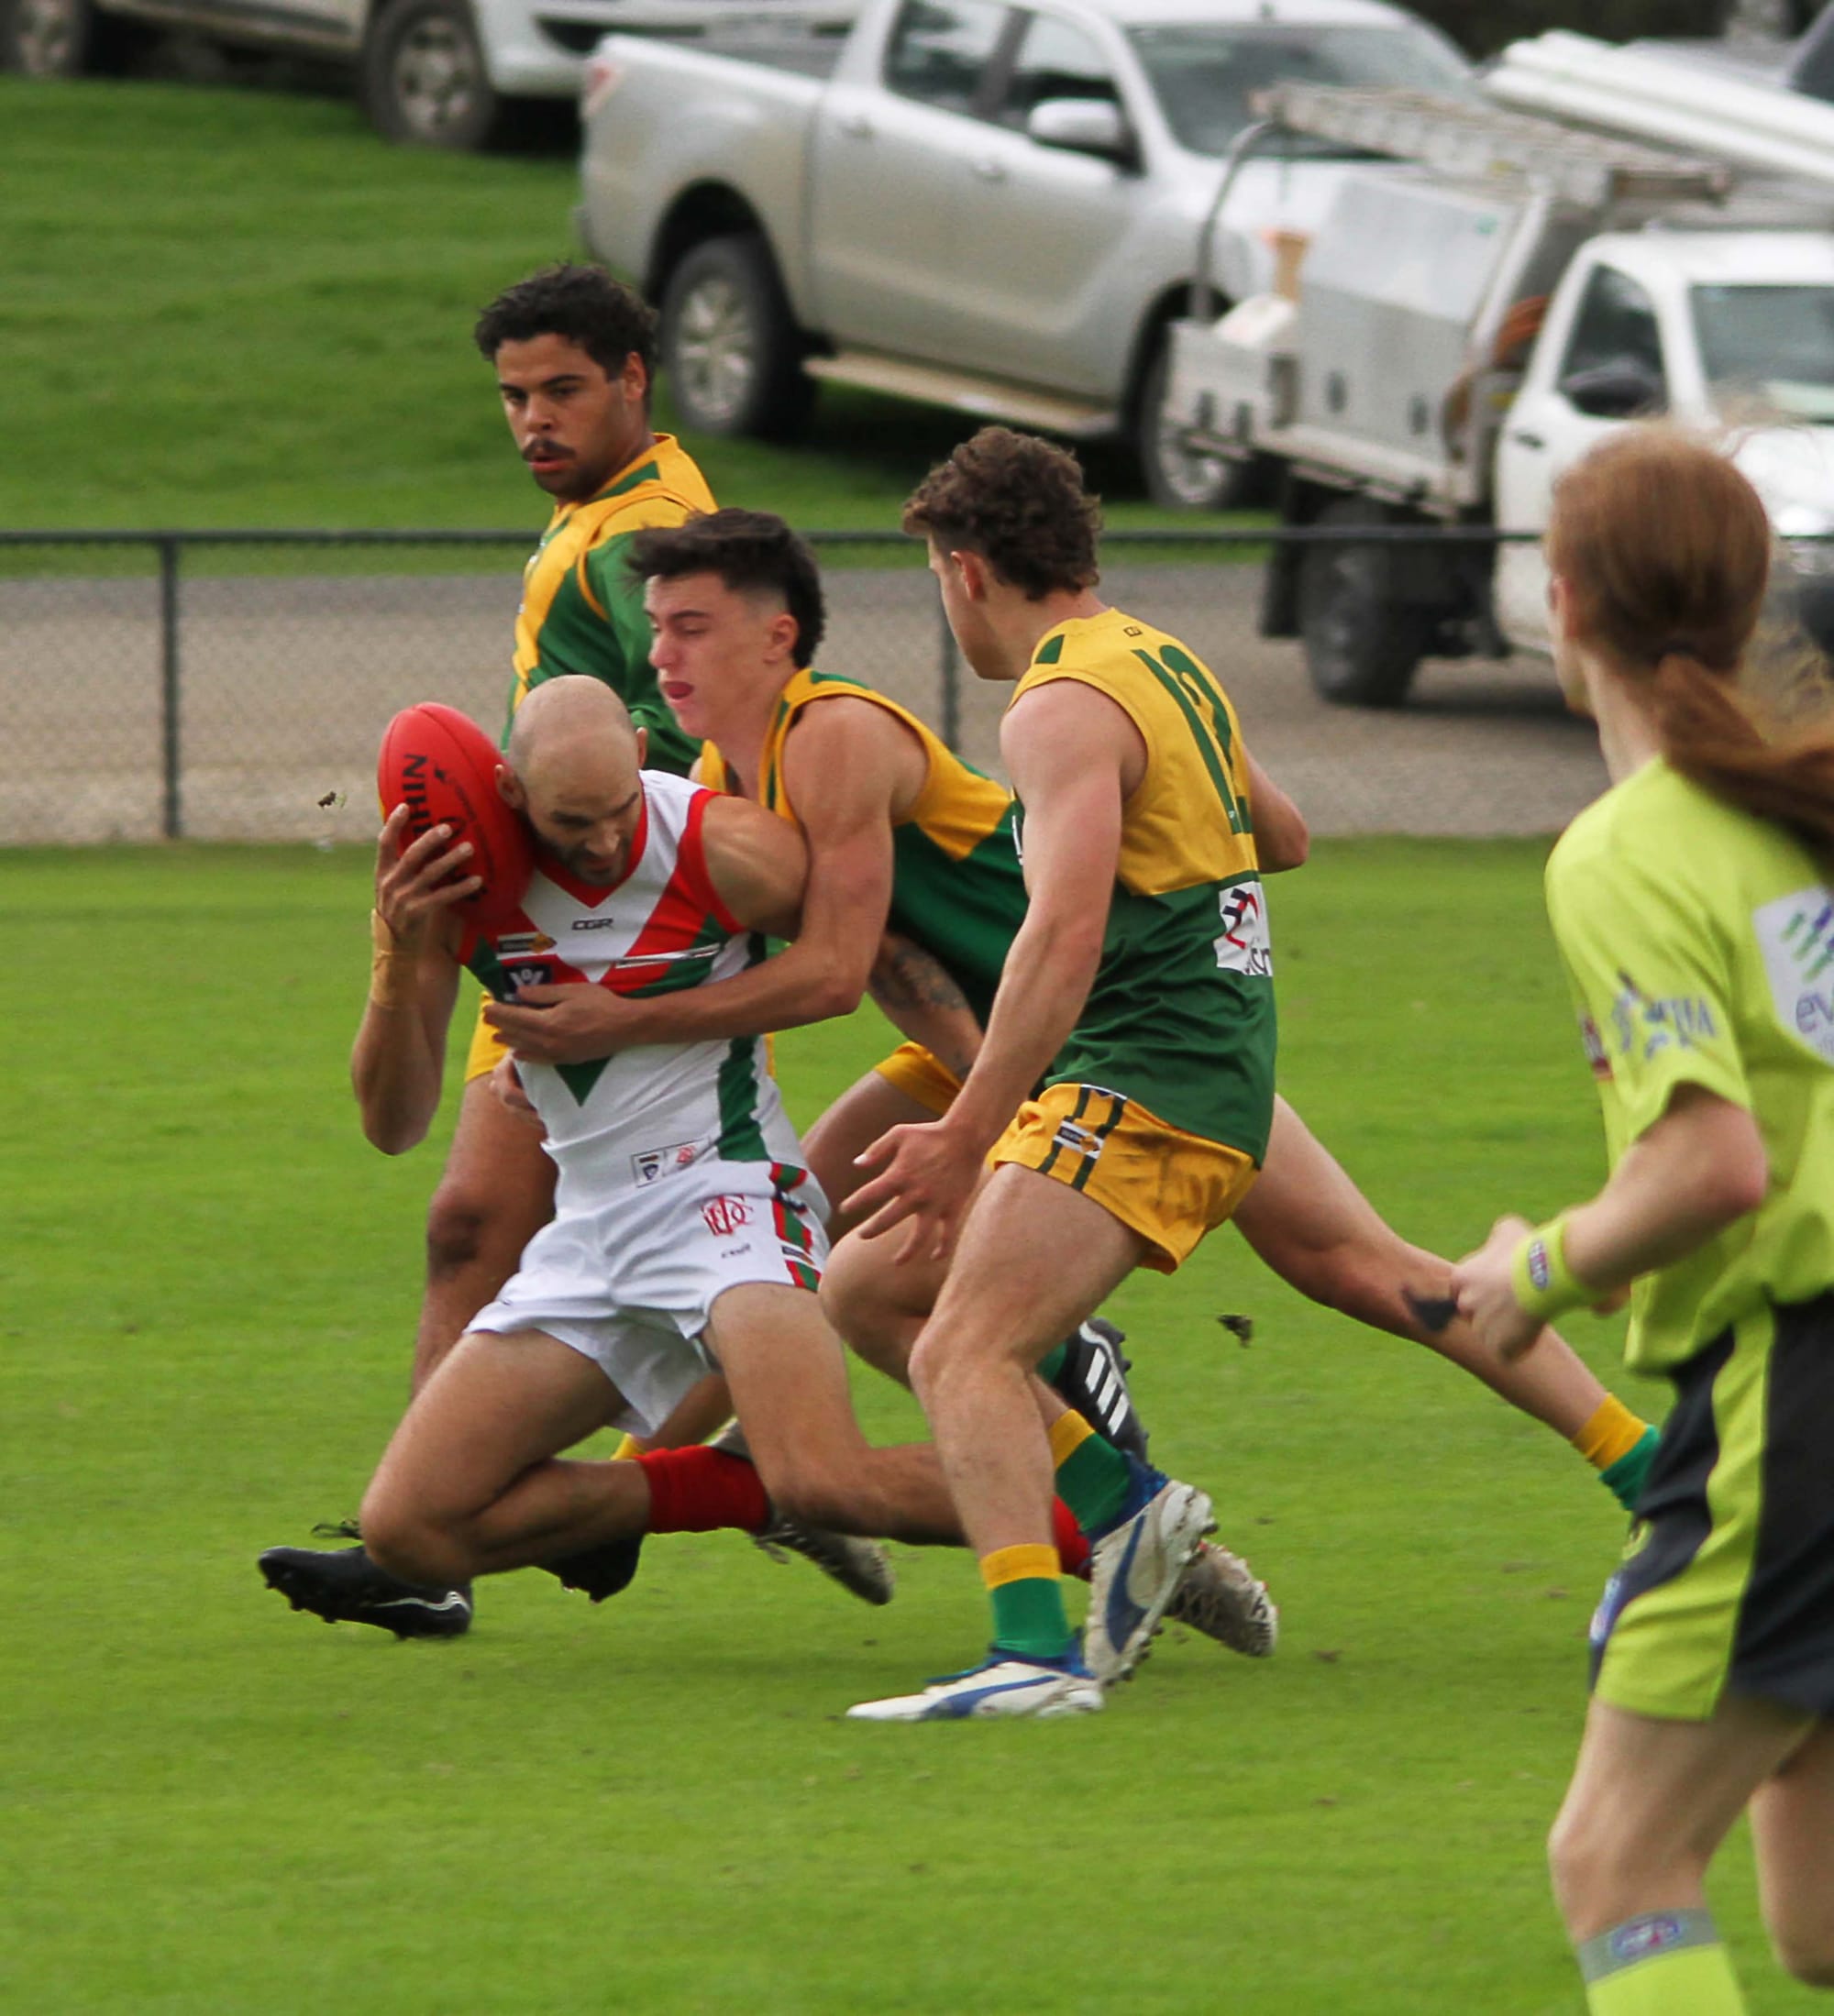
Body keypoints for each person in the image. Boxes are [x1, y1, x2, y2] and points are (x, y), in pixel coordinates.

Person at [282, 678, 976, 1635]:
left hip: (725, 1197)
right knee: (408, 1531)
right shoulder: (458, 885)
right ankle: (736, 1488)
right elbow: (392, 1123)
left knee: (825, 1477)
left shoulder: (714, 843)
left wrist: (986, 1086)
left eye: (617, 808)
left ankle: (1110, 1516)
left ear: (642, 753)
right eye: (573, 822)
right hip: (592, 1236)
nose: (606, 840)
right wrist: (399, 956)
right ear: (512, 793)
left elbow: (855, 962)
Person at [263, 265, 724, 1636]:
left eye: (562, 389)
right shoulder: (600, 513)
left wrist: (595, 912)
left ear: (634, 378)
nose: (533, 418)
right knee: (474, 1225)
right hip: (539, 915)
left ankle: (681, 1484)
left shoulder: (648, 532)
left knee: (609, 1229)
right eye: (514, 395)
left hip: (603, 934)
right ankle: (454, 1537)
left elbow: (678, 737)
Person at [1450, 429, 1834, 2016]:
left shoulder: (1633, 844)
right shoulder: (1797, 814)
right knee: (1816, 1915)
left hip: (1794, 1397)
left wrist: (1531, 1274)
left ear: (1561, 603)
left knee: (1618, 1859)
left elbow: (1713, 1165)